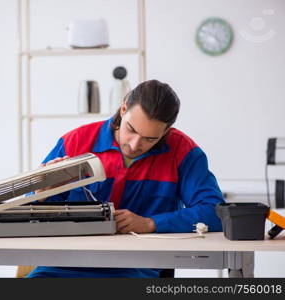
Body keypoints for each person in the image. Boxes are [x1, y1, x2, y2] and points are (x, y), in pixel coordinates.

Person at [27, 80, 225, 278]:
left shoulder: (184, 153)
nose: (134, 144)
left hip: (138, 268)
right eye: (131, 129)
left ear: (166, 131)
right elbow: (27, 211)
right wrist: (41, 194)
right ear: (123, 108)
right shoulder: (76, 142)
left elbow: (215, 213)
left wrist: (150, 224)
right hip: (63, 265)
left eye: (149, 139)